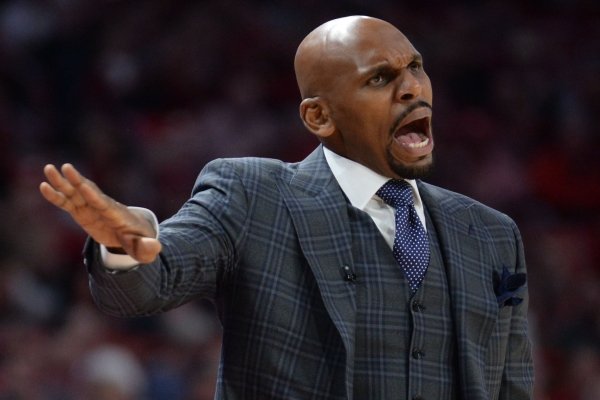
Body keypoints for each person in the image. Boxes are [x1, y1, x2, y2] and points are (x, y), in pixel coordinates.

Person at [40, 15, 534, 400]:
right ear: (319, 116)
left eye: (416, 66)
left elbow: (512, 386)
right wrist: (126, 246)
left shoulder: (491, 234)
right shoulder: (253, 194)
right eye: (381, 78)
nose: (412, 88)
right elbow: (153, 280)